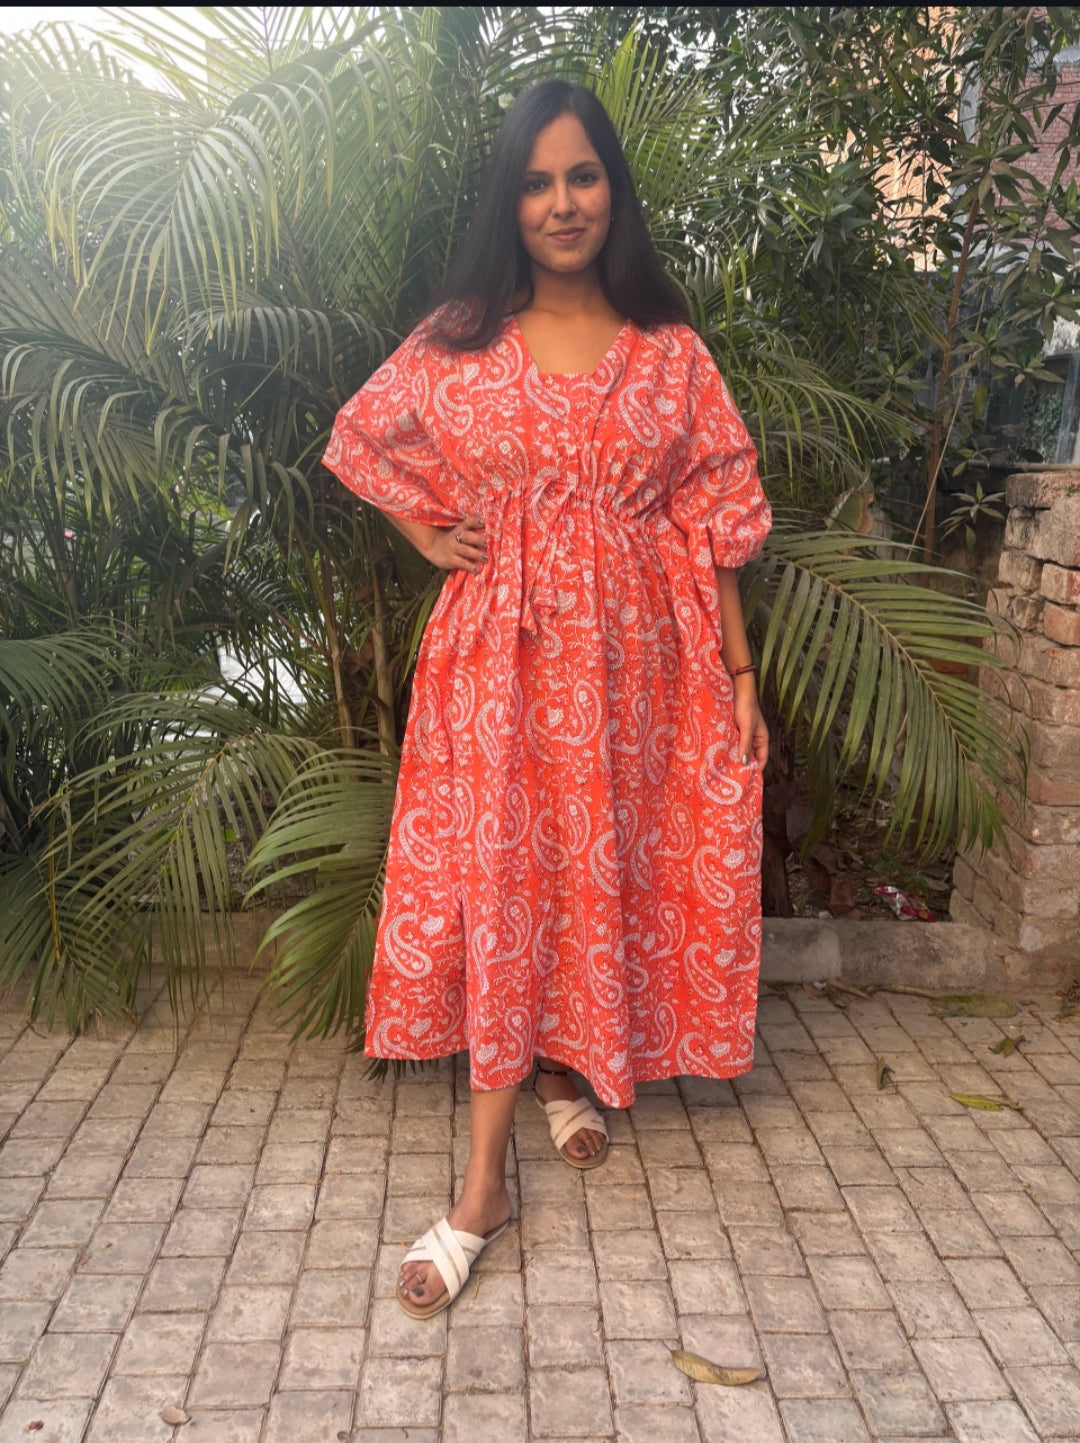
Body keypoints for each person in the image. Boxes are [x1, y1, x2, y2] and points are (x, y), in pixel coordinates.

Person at [322, 79, 771, 1319]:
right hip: (500, 661)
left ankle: (565, 1074)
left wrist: (740, 677)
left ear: (612, 189)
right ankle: (484, 1187)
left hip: (637, 671)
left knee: (591, 866)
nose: (561, 202)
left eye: (581, 176)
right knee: (507, 881)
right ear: (508, 201)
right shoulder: (462, 337)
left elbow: (719, 525)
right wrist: (426, 532)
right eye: (535, 182)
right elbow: (362, 436)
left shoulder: (669, 353)